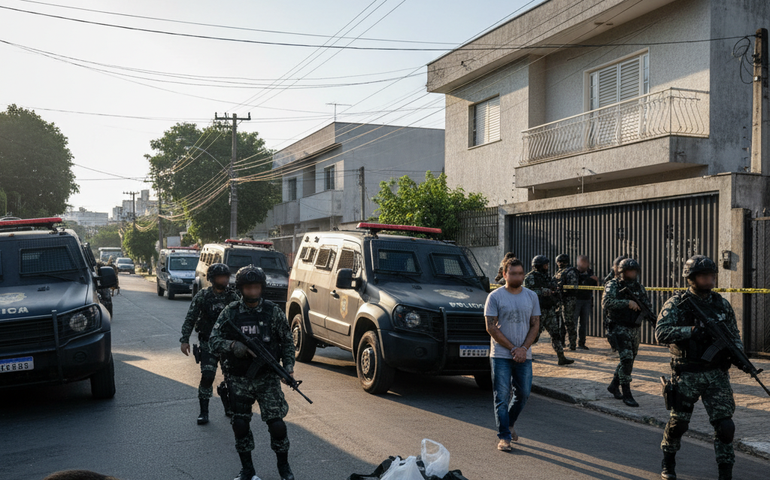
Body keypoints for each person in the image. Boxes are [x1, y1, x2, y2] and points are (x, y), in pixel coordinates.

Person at [656, 256, 741, 480]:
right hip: (687, 373)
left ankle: (726, 472)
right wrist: (691, 331)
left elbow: (734, 335)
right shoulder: (677, 303)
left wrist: (738, 355)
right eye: (704, 276)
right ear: (691, 278)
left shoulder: (721, 303)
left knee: (725, 427)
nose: (709, 279)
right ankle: (669, 462)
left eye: (712, 275)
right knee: (678, 425)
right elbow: (661, 333)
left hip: (717, 374)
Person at [209, 265, 296, 480]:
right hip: (239, 378)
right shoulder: (230, 312)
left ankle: (284, 468)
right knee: (240, 424)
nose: (253, 292)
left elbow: (286, 341)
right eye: (248, 288)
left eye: (256, 287)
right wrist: (232, 346)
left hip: (267, 377)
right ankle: (247, 470)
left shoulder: (272, 311)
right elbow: (213, 340)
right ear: (240, 289)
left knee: (277, 425)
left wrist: (288, 369)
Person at [484, 256, 540, 452]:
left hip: (524, 354)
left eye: (520, 273)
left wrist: (523, 348)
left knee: (523, 394)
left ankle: (509, 423)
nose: (517, 277)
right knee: (501, 396)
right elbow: (491, 327)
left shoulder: (532, 296)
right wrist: (512, 348)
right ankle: (504, 437)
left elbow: (535, 325)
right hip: (500, 354)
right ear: (505, 274)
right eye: (513, 273)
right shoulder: (495, 297)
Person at [180, 263, 240, 424]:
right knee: (207, 376)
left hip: (228, 345)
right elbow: (190, 318)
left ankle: (229, 406)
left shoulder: (233, 297)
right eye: (221, 277)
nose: (225, 280)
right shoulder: (203, 296)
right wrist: (184, 340)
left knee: (231, 379)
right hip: (208, 344)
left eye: (226, 277)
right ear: (213, 279)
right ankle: (204, 412)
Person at [602, 258, 652, 407]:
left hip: (634, 327)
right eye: (629, 271)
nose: (632, 273)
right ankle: (627, 393)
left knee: (629, 359)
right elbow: (606, 303)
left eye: (634, 271)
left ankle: (613, 385)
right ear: (622, 272)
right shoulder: (613, 285)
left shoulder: (639, 287)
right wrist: (627, 303)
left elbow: (646, 304)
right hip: (619, 326)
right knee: (627, 359)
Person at [524, 255, 574, 366]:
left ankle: (561, 357)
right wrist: (544, 291)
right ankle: (525, 353)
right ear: (539, 266)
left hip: (549, 310)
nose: (547, 267)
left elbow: (553, 287)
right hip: (538, 311)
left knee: (555, 334)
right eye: (545, 265)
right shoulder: (530, 277)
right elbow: (528, 292)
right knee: (534, 336)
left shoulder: (546, 277)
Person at [553, 254, 579, 350]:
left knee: (568, 322)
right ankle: (562, 342)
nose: (559, 264)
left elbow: (573, 287)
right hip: (560, 300)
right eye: (558, 262)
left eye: (561, 262)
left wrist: (562, 289)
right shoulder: (560, 272)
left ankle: (572, 344)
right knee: (560, 323)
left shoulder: (570, 272)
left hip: (568, 300)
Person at [603, 254, 628, 352]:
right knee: (610, 328)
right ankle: (615, 346)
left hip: (623, 306)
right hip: (612, 306)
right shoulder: (611, 278)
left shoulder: (628, 278)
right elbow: (605, 284)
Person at [574, 255, 599, 350]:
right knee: (574, 322)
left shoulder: (590, 272)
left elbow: (595, 285)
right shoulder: (574, 272)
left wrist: (594, 280)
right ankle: (572, 343)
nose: (583, 265)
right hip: (577, 300)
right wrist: (589, 279)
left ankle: (582, 343)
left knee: (583, 323)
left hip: (587, 300)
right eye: (581, 262)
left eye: (585, 262)